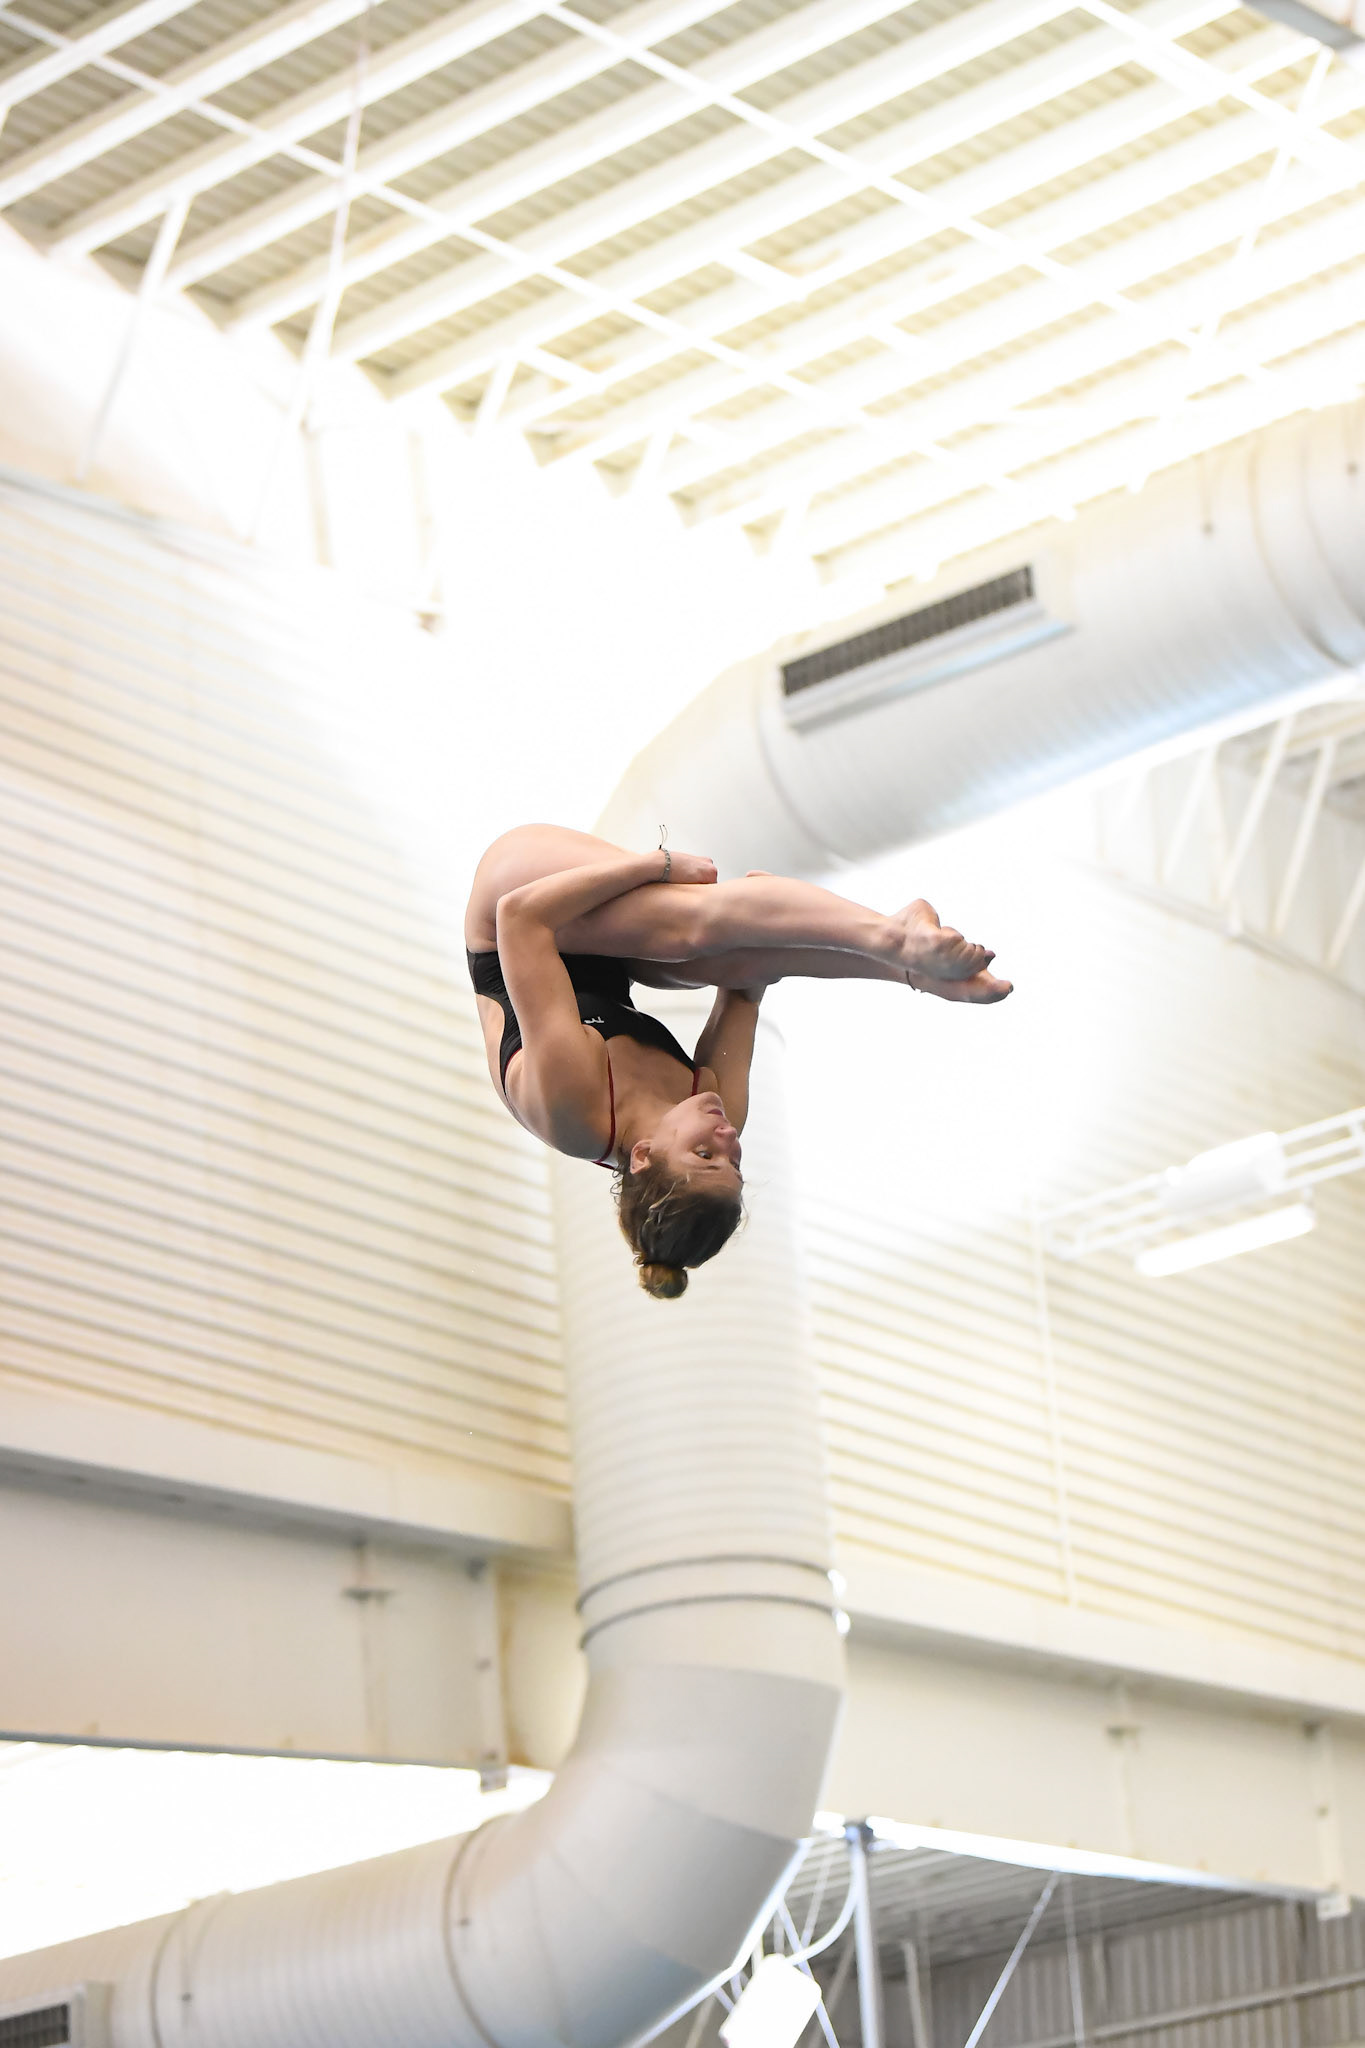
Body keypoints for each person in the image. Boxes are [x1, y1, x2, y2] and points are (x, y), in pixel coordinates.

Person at [465, 825, 1011, 1298]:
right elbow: (748, 986)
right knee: (741, 953)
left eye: (704, 1153)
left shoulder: (573, 1106)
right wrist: (768, 915)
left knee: (695, 928)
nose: (727, 1138)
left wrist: (654, 866)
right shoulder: (716, 1107)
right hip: (604, 950)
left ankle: (895, 938)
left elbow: (522, 919)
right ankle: (912, 970)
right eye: (734, 1162)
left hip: (513, 906)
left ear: (642, 1157)